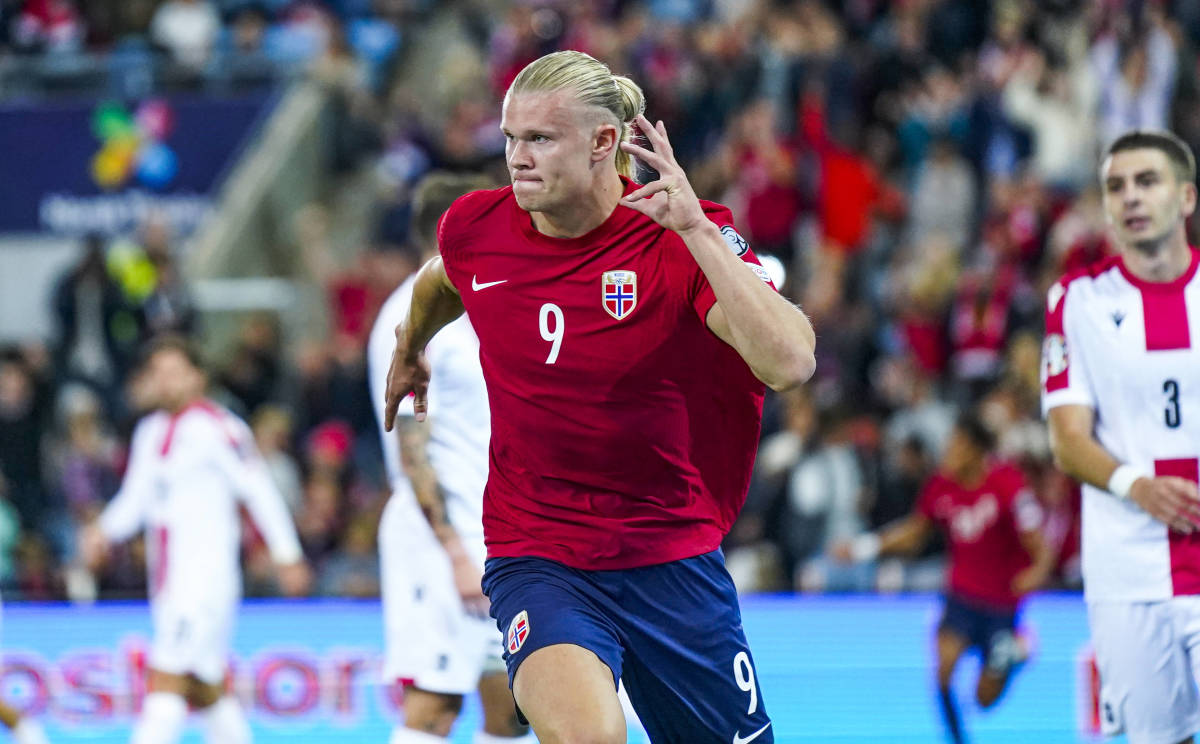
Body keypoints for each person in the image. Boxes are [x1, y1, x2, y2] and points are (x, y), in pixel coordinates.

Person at [382, 50, 816, 744]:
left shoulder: (675, 238)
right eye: (511, 138)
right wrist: (410, 346)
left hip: (670, 554)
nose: (517, 159)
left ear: (604, 143)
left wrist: (699, 232)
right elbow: (443, 278)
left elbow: (791, 361)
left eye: (541, 139)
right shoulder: (476, 226)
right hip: (539, 553)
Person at [1042, 128, 1200, 744]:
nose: (1130, 197)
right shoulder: (1077, 300)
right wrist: (1138, 486)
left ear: (1186, 199)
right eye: (1115, 186)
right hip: (1128, 572)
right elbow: (1067, 438)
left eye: (1147, 181)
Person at [368, 171, 532, 744]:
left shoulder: (480, 305)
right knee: (434, 707)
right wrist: (456, 552)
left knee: (511, 709)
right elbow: (411, 447)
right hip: (436, 542)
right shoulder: (412, 319)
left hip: (492, 534)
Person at [81, 336, 310, 744]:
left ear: (197, 377)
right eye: (158, 374)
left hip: (205, 581)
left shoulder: (220, 427)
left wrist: (287, 554)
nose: (166, 382)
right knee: (205, 686)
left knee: (166, 678)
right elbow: (135, 500)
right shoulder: (150, 431)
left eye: (175, 372)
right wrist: (103, 531)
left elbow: (258, 490)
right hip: (166, 582)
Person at [831, 414, 1055, 744]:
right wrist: (867, 546)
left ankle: (1020, 648)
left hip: (1002, 602)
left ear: (976, 450)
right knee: (943, 672)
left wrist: (1038, 573)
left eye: (957, 445)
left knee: (984, 700)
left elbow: (1038, 542)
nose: (948, 451)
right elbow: (916, 532)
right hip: (961, 597)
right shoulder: (941, 484)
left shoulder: (1008, 484)